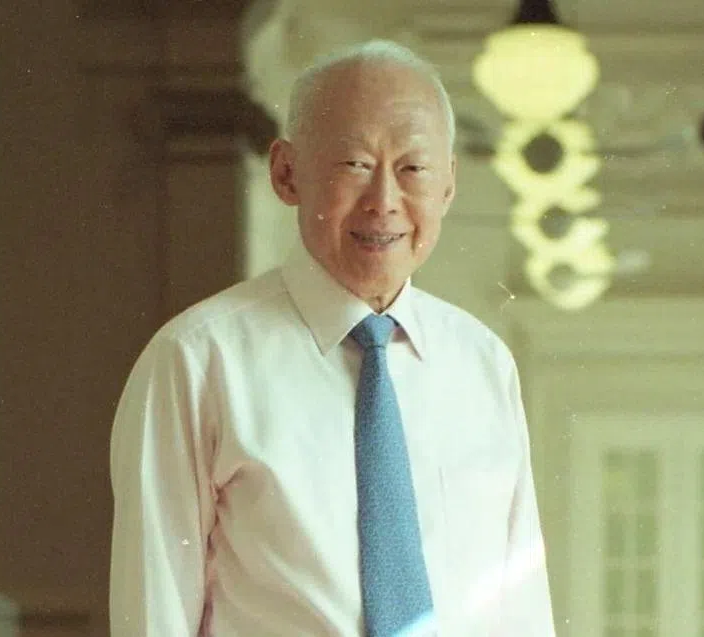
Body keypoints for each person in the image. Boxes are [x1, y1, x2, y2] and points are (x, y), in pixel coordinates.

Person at [109, 39, 555, 637]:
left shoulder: (484, 364)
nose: (384, 202)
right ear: (286, 173)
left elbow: (521, 613)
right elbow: (154, 611)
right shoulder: (197, 361)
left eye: (413, 169)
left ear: (448, 185)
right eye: (355, 164)